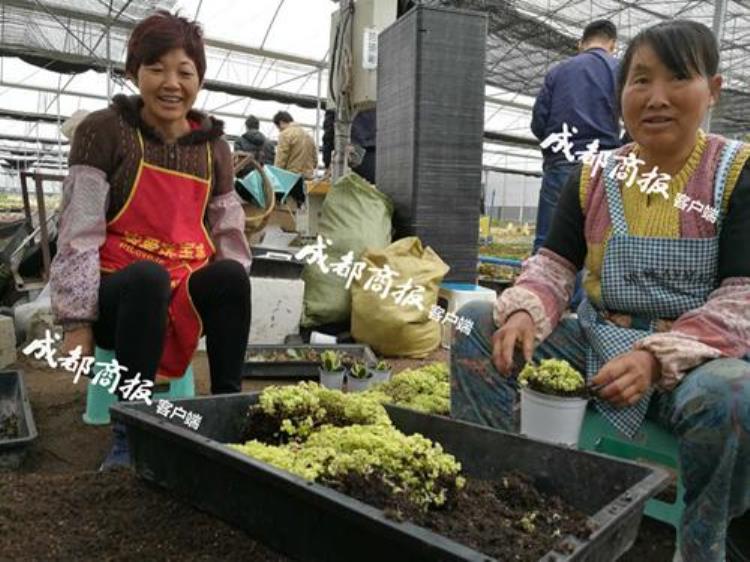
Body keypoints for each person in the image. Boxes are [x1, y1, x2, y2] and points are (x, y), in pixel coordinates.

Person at [452, 20, 749, 562]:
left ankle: (704, 542)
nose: (655, 98)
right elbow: (553, 265)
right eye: (640, 81)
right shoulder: (594, 176)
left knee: (735, 395)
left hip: (699, 364)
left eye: (678, 78)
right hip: (595, 345)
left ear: (713, 89)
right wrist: (524, 311)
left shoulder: (734, 173)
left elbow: (740, 299)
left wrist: (657, 358)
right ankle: (493, 498)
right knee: (475, 324)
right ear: (620, 97)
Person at [50, 11, 252, 470]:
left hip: (184, 289)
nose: (171, 83)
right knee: (146, 277)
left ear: (199, 79)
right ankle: (130, 428)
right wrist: (77, 322)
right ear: (133, 71)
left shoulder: (213, 147)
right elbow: (79, 230)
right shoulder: (104, 132)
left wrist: (228, 287)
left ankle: (227, 417)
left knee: (230, 278)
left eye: (185, 72)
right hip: (120, 291)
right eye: (156, 68)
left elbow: (228, 229)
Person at [531, 19, 621, 309]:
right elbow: (634, 116)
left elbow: (538, 121)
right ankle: (583, 314)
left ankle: (538, 305)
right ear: (612, 44)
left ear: (581, 43)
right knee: (596, 240)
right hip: (602, 165)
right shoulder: (618, 70)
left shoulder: (559, 72)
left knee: (550, 239)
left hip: (562, 163)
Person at [272, 110, 317, 179]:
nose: (279, 130)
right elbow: (315, 161)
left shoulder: (285, 134)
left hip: (291, 178)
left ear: (281, 122)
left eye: (278, 128)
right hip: (308, 178)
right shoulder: (309, 136)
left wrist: (275, 177)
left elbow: (280, 161)